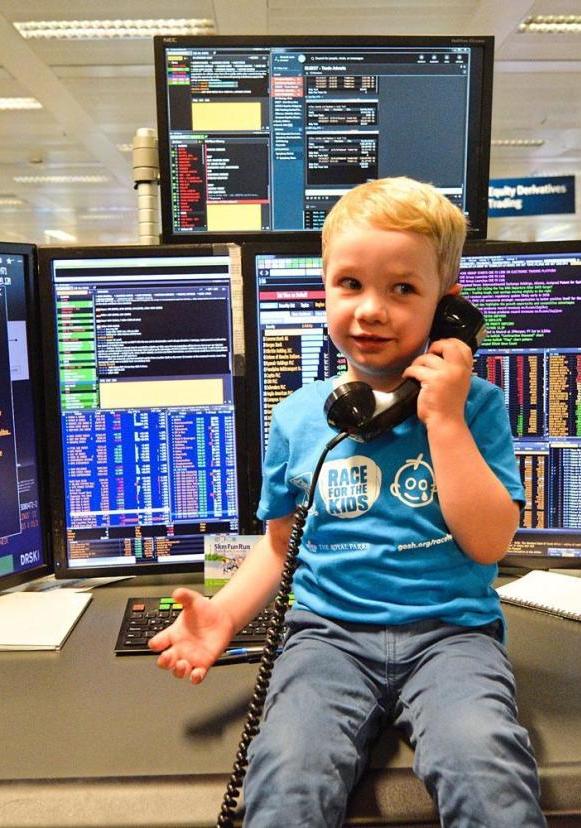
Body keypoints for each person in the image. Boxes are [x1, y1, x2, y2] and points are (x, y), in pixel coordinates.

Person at [149, 177, 544, 827]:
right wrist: (224, 615)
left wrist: (443, 420)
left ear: (448, 307)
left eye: (403, 289)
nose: (371, 310)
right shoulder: (301, 417)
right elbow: (281, 544)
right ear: (325, 289)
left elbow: (489, 543)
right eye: (350, 285)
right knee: (287, 766)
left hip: (451, 637)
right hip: (327, 635)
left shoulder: (479, 409)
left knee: (487, 766)